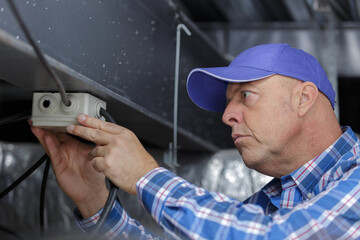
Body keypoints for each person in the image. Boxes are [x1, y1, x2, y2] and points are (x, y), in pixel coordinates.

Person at [31, 43, 360, 239]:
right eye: (229, 101)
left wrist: (146, 176)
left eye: (246, 95)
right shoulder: (274, 201)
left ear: (304, 99)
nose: (227, 115)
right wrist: (95, 203)